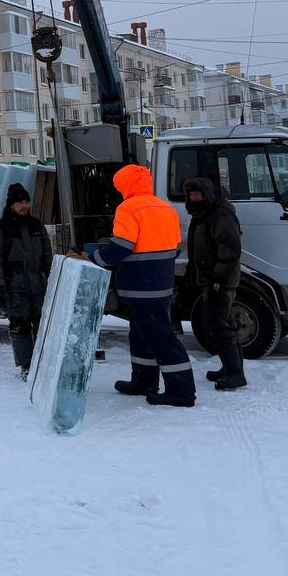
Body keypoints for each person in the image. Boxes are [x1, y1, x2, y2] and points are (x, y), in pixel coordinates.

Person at [92, 164, 196, 408]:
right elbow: (174, 246)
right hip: (160, 282)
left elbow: (121, 246)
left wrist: (94, 260)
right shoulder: (165, 207)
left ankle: (181, 392)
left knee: (160, 337)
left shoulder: (128, 208)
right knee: (140, 333)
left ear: (125, 185)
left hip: (141, 283)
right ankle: (143, 381)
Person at [183, 177, 246, 390]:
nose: (194, 198)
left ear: (208, 194)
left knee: (219, 326)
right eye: (191, 195)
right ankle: (230, 368)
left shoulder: (220, 215)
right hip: (211, 278)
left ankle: (235, 373)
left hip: (221, 280)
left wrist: (218, 278)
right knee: (224, 323)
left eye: (197, 194)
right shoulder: (203, 214)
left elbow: (230, 250)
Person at [0, 182, 52, 379]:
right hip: (14, 288)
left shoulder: (36, 225)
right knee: (20, 327)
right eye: (19, 202)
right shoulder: (0, 228)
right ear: (11, 205)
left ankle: (43, 364)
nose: (24, 206)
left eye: (26, 201)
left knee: (43, 326)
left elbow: (47, 256)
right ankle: (26, 366)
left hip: (37, 287)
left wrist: (52, 279)